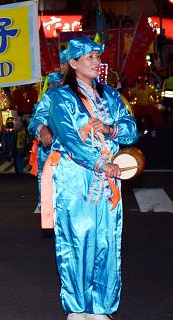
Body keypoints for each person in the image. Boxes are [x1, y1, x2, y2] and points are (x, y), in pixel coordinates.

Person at [41, 36, 138, 319]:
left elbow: (131, 128)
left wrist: (109, 129)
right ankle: (76, 307)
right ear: (73, 63)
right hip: (75, 176)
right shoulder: (60, 96)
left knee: (107, 240)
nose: (97, 62)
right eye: (90, 58)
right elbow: (69, 138)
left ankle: (101, 307)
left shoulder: (109, 95)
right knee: (76, 239)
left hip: (108, 179)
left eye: (98, 56)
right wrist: (99, 162)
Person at [28, 49, 68, 213]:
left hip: (83, 158)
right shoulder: (50, 96)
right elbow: (35, 123)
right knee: (45, 177)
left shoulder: (98, 93)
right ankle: (44, 203)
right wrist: (42, 129)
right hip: (50, 149)